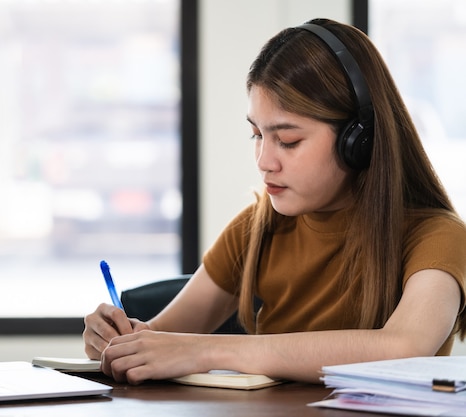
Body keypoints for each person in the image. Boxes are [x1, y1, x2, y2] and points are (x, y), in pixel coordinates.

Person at [82, 18, 466, 385]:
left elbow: (403, 346)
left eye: (288, 140)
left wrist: (209, 351)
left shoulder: (437, 237)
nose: (265, 161)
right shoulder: (256, 228)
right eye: (257, 135)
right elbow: (162, 339)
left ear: (358, 140)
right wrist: (120, 341)